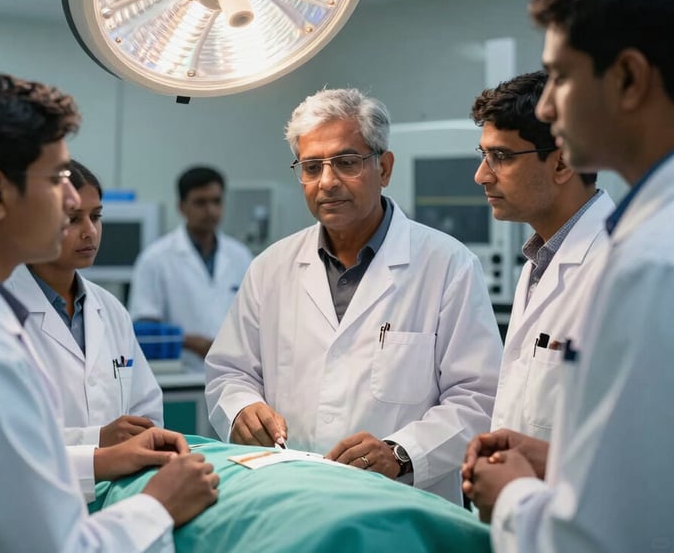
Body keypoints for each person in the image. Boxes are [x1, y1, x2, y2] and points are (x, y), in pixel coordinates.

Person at [0, 72, 218, 552]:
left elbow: (5, 479)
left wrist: (102, 458)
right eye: (57, 181)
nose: (74, 201)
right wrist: (159, 504)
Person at [462, 0, 674, 550]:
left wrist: (513, 498)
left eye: (560, 76)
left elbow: (601, 537)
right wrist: (557, 460)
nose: (551, 107)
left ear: (629, 78)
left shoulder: (648, 262)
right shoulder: (620, 248)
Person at [205, 87, 502, 504]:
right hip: (293, 501)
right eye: (311, 167)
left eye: (346, 162)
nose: (327, 182)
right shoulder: (270, 268)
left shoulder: (448, 266)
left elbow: (479, 398)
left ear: (385, 168)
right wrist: (240, 408)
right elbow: (228, 373)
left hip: (401, 508)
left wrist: (400, 453)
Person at [470, 70, 614, 438]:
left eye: (500, 156)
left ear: (562, 163)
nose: (481, 175)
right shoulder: (539, 262)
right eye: (483, 155)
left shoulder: (618, 267)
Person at [6, 160, 165, 448]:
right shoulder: (2, 309)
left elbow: (146, 407)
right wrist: (98, 441)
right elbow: (8, 437)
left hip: (121, 487)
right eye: (73, 218)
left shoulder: (110, 309)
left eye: (96, 216)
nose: (90, 231)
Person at [129, 166, 253, 371]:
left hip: (235, 374)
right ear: (182, 207)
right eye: (200, 202)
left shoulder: (241, 256)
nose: (210, 210)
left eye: (216, 201)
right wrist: (190, 342)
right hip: (181, 373)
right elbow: (145, 329)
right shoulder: (155, 259)